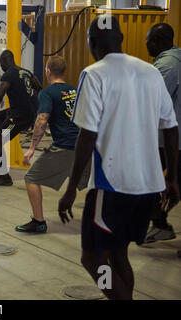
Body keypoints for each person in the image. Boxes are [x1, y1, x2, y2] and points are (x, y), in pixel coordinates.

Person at [58, 15, 179, 300]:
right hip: (148, 187)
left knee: (93, 259)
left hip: (111, 186)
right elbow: (171, 127)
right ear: (122, 39)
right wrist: (171, 177)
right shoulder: (150, 71)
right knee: (119, 254)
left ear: (91, 43)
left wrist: (72, 187)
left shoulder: (94, 74)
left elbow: (87, 136)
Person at [15, 55, 89, 234]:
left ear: (48, 72)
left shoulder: (47, 93)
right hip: (84, 146)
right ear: (63, 71)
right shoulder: (75, 90)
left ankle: (39, 221)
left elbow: (42, 120)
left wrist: (31, 148)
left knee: (31, 178)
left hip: (63, 145)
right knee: (94, 184)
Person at [0, 50, 42, 186]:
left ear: (3, 62)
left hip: (20, 115)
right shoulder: (26, 72)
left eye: (1, 64)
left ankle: (4, 176)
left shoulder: (8, 74)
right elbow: (39, 87)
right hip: (21, 111)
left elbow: (0, 93)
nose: (1, 67)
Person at [144, 23, 181, 243]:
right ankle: (159, 222)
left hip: (166, 139)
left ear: (156, 42)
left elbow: (152, 102)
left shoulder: (166, 65)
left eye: (148, 40)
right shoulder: (175, 59)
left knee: (144, 181)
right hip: (172, 138)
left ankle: (159, 223)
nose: (146, 45)